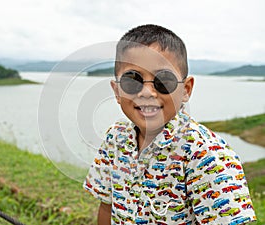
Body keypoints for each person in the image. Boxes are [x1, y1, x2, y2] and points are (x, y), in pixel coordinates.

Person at [83, 24, 256, 225]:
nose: (147, 92)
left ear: (186, 90)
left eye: (163, 81)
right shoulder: (115, 138)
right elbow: (107, 206)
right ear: (116, 91)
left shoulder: (206, 154)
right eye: (132, 80)